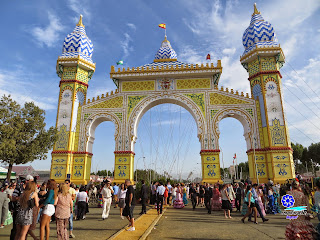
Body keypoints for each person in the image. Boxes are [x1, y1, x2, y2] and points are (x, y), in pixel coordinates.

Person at [10, 176, 33, 240]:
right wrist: (21, 198)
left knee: (24, 232)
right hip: (18, 211)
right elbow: (13, 198)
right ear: (26, 181)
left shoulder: (31, 190)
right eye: (31, 181)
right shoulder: (19, 188)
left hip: (27, 213)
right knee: (16, 230)